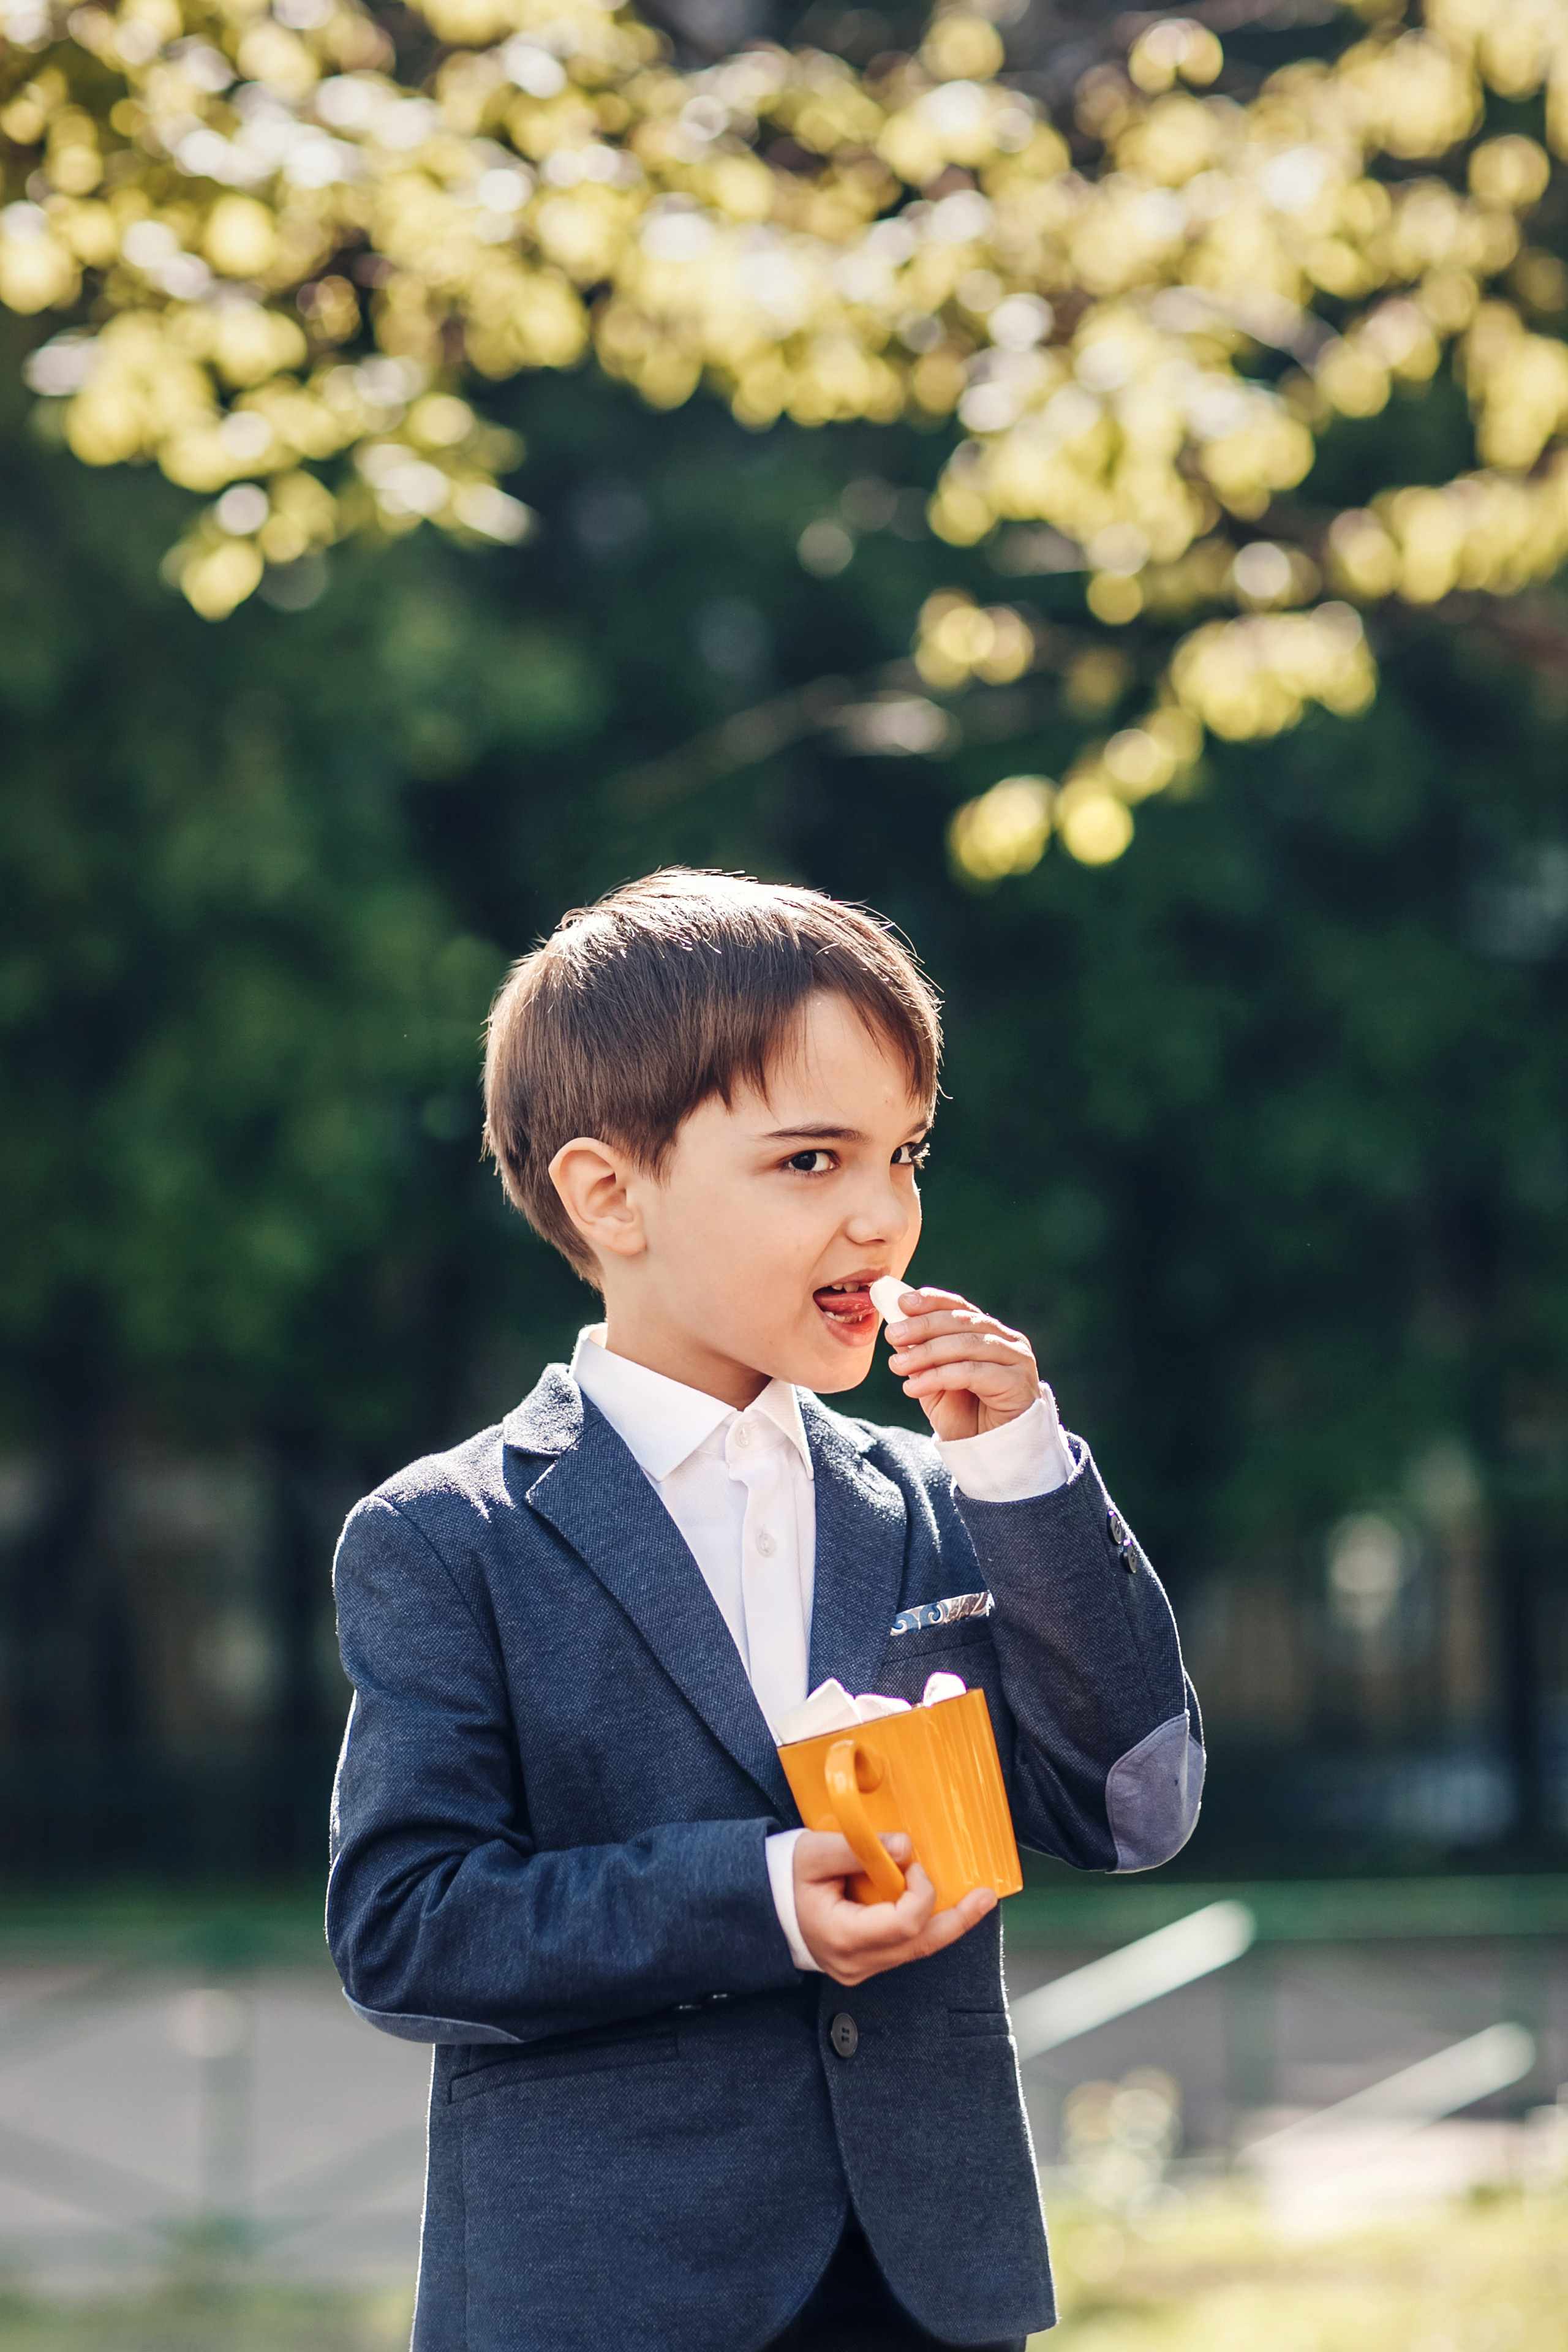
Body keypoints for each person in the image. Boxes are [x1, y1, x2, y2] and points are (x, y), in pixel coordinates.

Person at [327, 870, 1204, 2352]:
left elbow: (1134, 1805)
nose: (882, 1214)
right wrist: (757, 1898)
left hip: (931, 2288)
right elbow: (408, 1931)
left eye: (904, 1155)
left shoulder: (945, 1500)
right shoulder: (445, 1534)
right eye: (811, 1162)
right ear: (610, 1195)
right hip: (603, 2297)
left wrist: (1022, 1471)